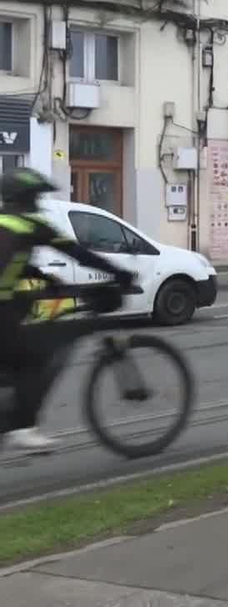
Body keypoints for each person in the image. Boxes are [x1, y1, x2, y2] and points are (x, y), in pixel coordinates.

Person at [0, 168, 134, 453]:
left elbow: (17, 263)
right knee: (33, 358)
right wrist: (119, 274)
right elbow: (78, 253)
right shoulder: (31, 225)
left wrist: (51, 282)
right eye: (35, 197)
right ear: (23, 199)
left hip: (8, 304)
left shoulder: (6, 224)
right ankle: (23, 428)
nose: (38, 203)